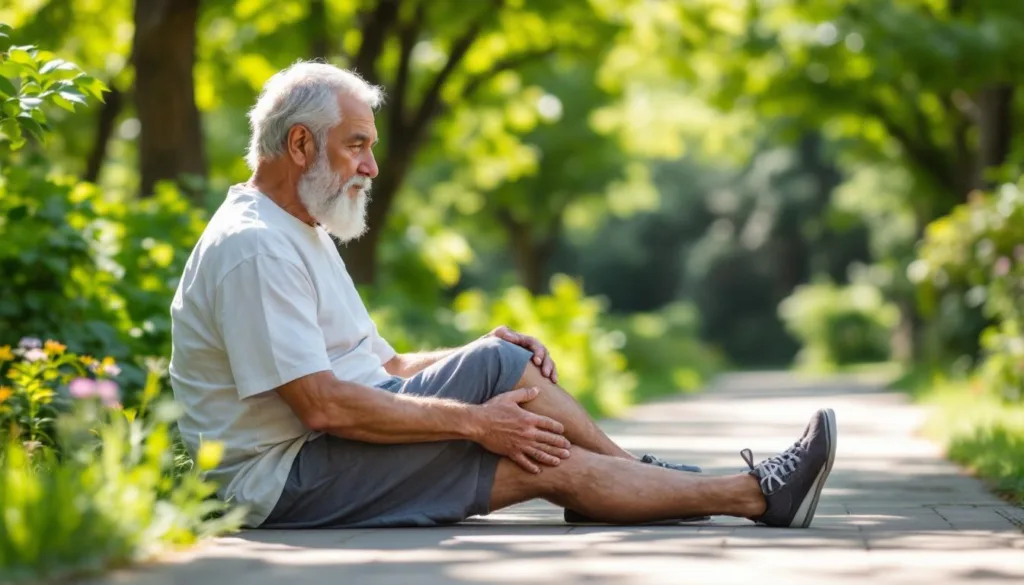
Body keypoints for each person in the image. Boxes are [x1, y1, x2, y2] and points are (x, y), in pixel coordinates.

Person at [168, 61, 837, 530]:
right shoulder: (253, 246)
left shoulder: (301, 231)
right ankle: (708, 485)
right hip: (277, 483)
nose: (371, 166)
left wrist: (473, 356)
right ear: (300, 143)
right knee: (498, 380)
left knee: (536, 447)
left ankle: (720, 490)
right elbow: (320, 405)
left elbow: (386, 366)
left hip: (317, 462)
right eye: (357, 147)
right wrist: (476, 420)